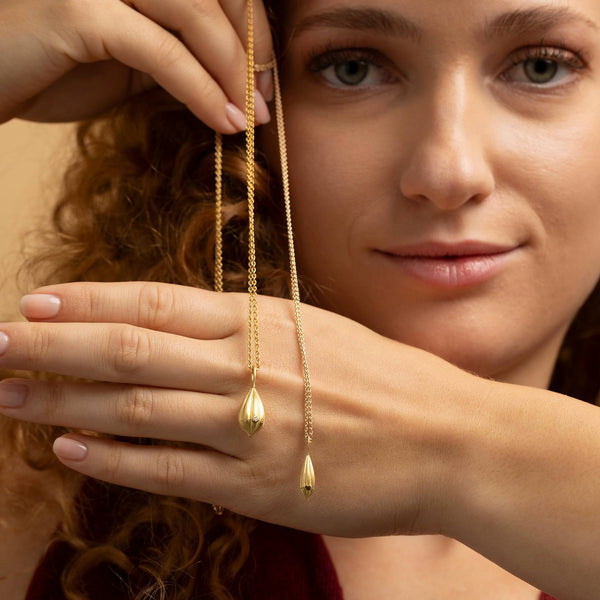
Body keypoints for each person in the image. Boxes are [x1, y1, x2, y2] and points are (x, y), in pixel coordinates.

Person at [0, 0, 599, 598]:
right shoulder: (49, 489)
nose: (449, 174)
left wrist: (459, 452)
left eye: (542, 66)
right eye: (353, 68)